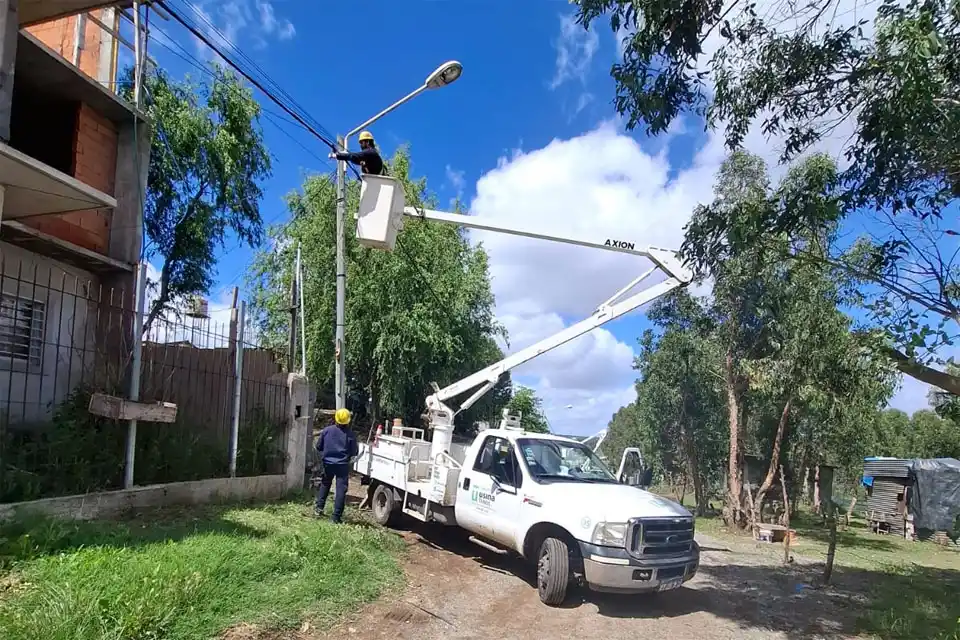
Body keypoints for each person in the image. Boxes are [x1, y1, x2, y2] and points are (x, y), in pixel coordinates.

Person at [314, 408, 359, 522]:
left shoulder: (326, 431)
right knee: (340, 490)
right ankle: (335, 517)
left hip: (327, 463)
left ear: (336, 419)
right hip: (342, 465)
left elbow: (318, 446)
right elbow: (354, 452)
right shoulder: (350, 434)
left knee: (325, 484)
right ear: (348, 421)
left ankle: (318, 509)